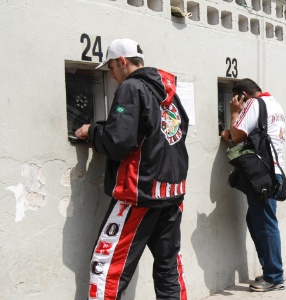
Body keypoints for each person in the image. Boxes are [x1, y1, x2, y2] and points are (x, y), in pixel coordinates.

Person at [74, 39, 189, 299]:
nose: (112, 76)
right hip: (171, 191)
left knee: (106, 269)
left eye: (112, 68)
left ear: (122, 61)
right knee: (168, 267)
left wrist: (92, 131)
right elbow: (178, 130)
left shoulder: (131, 88)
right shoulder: (169, 91)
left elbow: (118, 142)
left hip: (140, 192)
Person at [221, 78, 286, 292]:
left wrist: (233, 113)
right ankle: (270, 269)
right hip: (274, 171)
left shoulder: (253, 104)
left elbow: (238, 135)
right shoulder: (274, 103)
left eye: (236, 98)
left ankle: (274, 277)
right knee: (256, 219)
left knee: (266, 224)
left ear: (243, 96)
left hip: (262, 174)